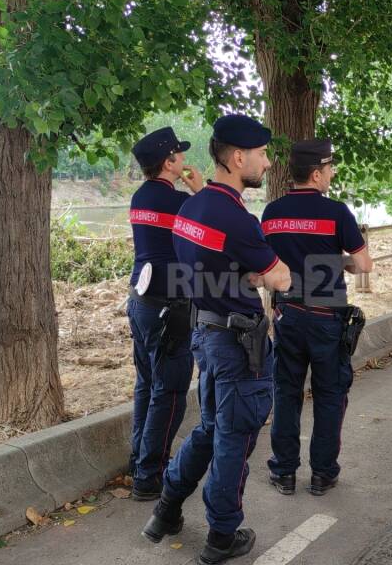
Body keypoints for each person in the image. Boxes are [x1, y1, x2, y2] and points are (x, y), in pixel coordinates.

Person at [142, 114, 291, 565]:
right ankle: (222, 536)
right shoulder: (237, 217)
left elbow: (209, 267)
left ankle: (166, 510)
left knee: (209, 428)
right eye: (262, 155)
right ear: (239, 157)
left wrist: (242, 274)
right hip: (237, 343)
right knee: (234, 435)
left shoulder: (190, 208)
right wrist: (263, 273)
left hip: (204, 333)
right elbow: (280, 277)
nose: (267, 163)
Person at [259, 138, 373, 496]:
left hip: (287, 314)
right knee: (329, 394)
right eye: (329, 169)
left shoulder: (271, 213)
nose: (331, 174)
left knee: (286, 393)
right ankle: (322, 474)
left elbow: (265, 269)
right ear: (315, 173)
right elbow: (364, 265)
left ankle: (284, 472)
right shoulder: (337, 213)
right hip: (327, 319)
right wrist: (339, 261)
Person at [126, 126, 204, 500]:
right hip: (169, 307)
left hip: (139, 302)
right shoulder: (180, 203)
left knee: (146, 384)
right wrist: (201, 191)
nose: (185, 161)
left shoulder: (139, 197)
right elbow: (214, 223)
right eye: (180, 156)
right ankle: (148, 476)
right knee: (169, 390)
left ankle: (138, 459)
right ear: (168, 162)